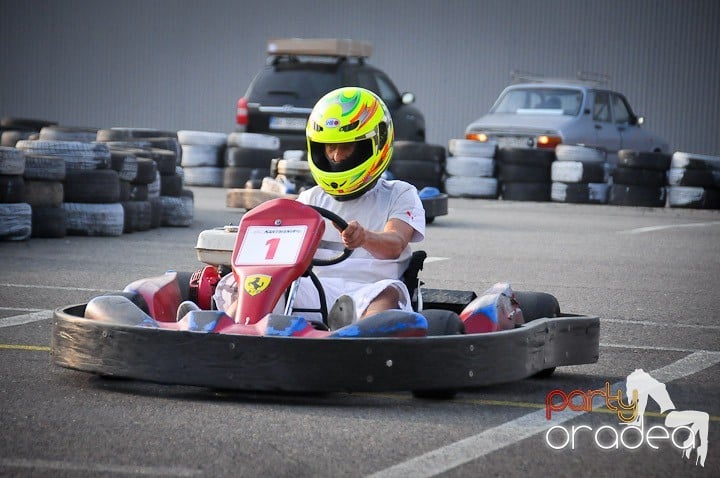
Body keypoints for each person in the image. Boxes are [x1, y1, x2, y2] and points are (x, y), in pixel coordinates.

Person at [213, 86, 426, 329]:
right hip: (312, 289)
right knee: (262, 285)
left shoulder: (400, 193)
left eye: (346, 146)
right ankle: (225, 332)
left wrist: (364, 238)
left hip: (370, 290)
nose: (335, 156)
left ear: (374, 142)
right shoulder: (309, 199)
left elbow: (395, 244)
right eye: (329, 146)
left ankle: (358, 340)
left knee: (389, 293)